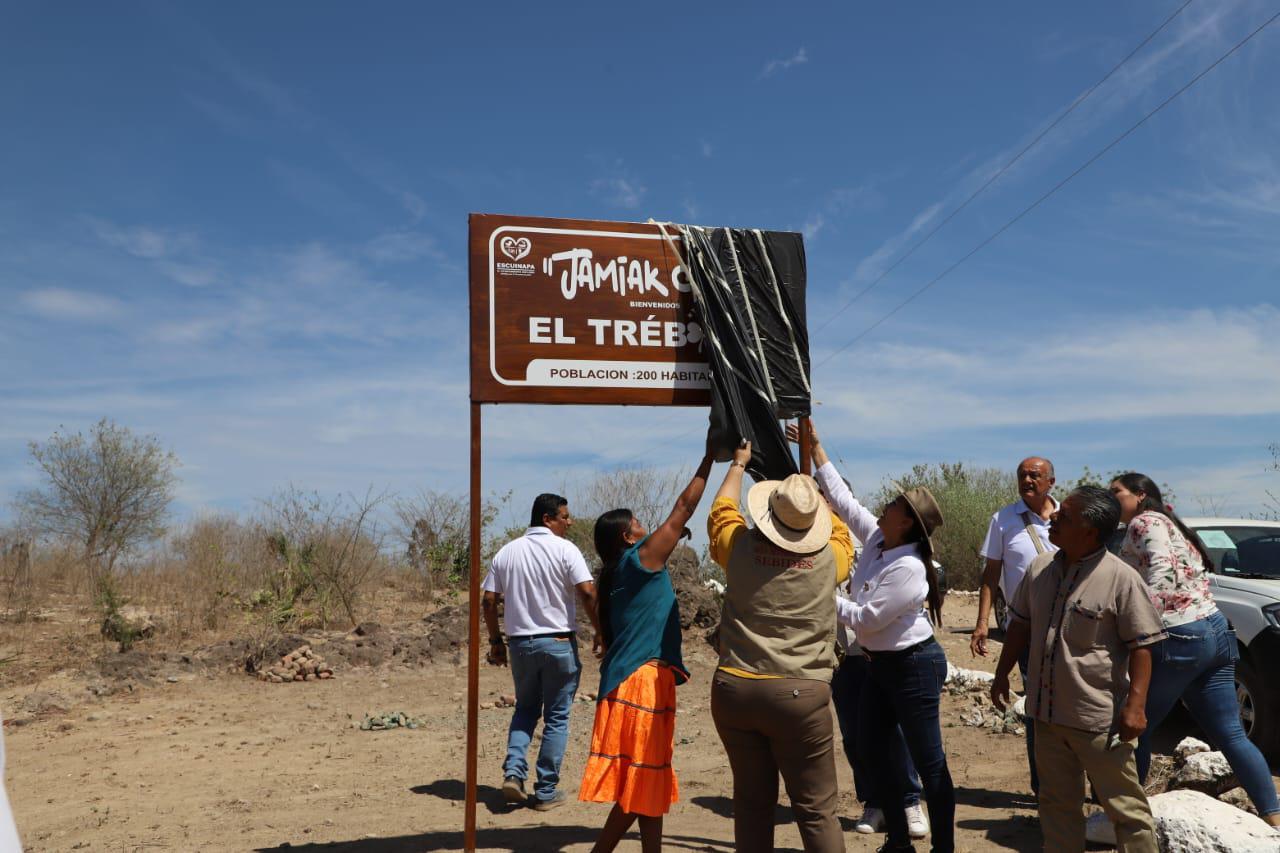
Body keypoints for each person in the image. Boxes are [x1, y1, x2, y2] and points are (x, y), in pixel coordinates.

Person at [804, 422, 953, 853]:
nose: (882, 507)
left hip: (914, 666)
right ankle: (899, 841)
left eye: (891, 505)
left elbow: (867, 620)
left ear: (906, 522)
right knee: (873, 747)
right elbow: (845, 502)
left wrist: (820, 591)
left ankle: (943, 845)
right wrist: (816, 449)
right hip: (881, 666)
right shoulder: (878, 540)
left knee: (931, 763)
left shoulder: (908, 568)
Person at [992, 486, 1166, 853]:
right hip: (1046, 716)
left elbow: (1143, 645)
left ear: (1089, 531)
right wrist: (1002, 672)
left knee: (1126, 811)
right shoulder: (1040, 568)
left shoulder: (1121, 579)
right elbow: (1020, 624)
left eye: (1065, 516)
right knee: (1056, 806)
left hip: (1098, 721)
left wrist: (1135, 706)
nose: (1053, 518)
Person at [708, 438, 854, 853]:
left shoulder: (738, 549)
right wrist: (816, 499)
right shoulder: (832, 559)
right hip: (801, 693)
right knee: (816, 810)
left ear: (768, 512)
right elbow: (840, 529)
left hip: (737, 685)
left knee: (752, 805)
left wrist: (738, 466)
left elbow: (721, 514)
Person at [1110, 473, 1280, 826]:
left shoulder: (1144, 522)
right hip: (1214, 630)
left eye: (1117, 493)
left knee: (1135, 728)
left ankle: (1128, 821)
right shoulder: (1170, 523)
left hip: (1178, 634)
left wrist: (1139, 623)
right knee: (1231, 734)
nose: (1112, 499)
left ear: (1140, 496)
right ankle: (1273, 816)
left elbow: (1159, 571)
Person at [578, 442, 716, 853]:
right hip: (642, 682)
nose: (644, 524)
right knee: (642, 779)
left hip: (625, 681)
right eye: (638, 521)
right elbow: (683, 507)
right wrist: (710, 458)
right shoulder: (641, 560)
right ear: (628, 535)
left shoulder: (615, 572)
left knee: (648, 776)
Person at [481, 493, 602, 811]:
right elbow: (588, 592)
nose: (570, 522)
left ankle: (513, 773)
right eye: (565, 516)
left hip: (520, 644)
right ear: (547, 519)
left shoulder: (506, 553)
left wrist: (496, 642)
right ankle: (546, 790)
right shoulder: (566, 550)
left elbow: (489, 601)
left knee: (525, 709)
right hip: (559, 643)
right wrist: (601, 631)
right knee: (557, 717)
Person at [970, 456, 1058, 796]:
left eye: (1035, 475)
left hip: (1070, 630)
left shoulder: (1070, 517)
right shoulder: (1003, 520)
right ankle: (1042, 787)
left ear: (1051, 481)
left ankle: (1090, 784)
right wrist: (981, 624)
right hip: (1026, 627)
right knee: (1036, 703)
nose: (1027, 480)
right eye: (1022, 475)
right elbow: (991, 574)